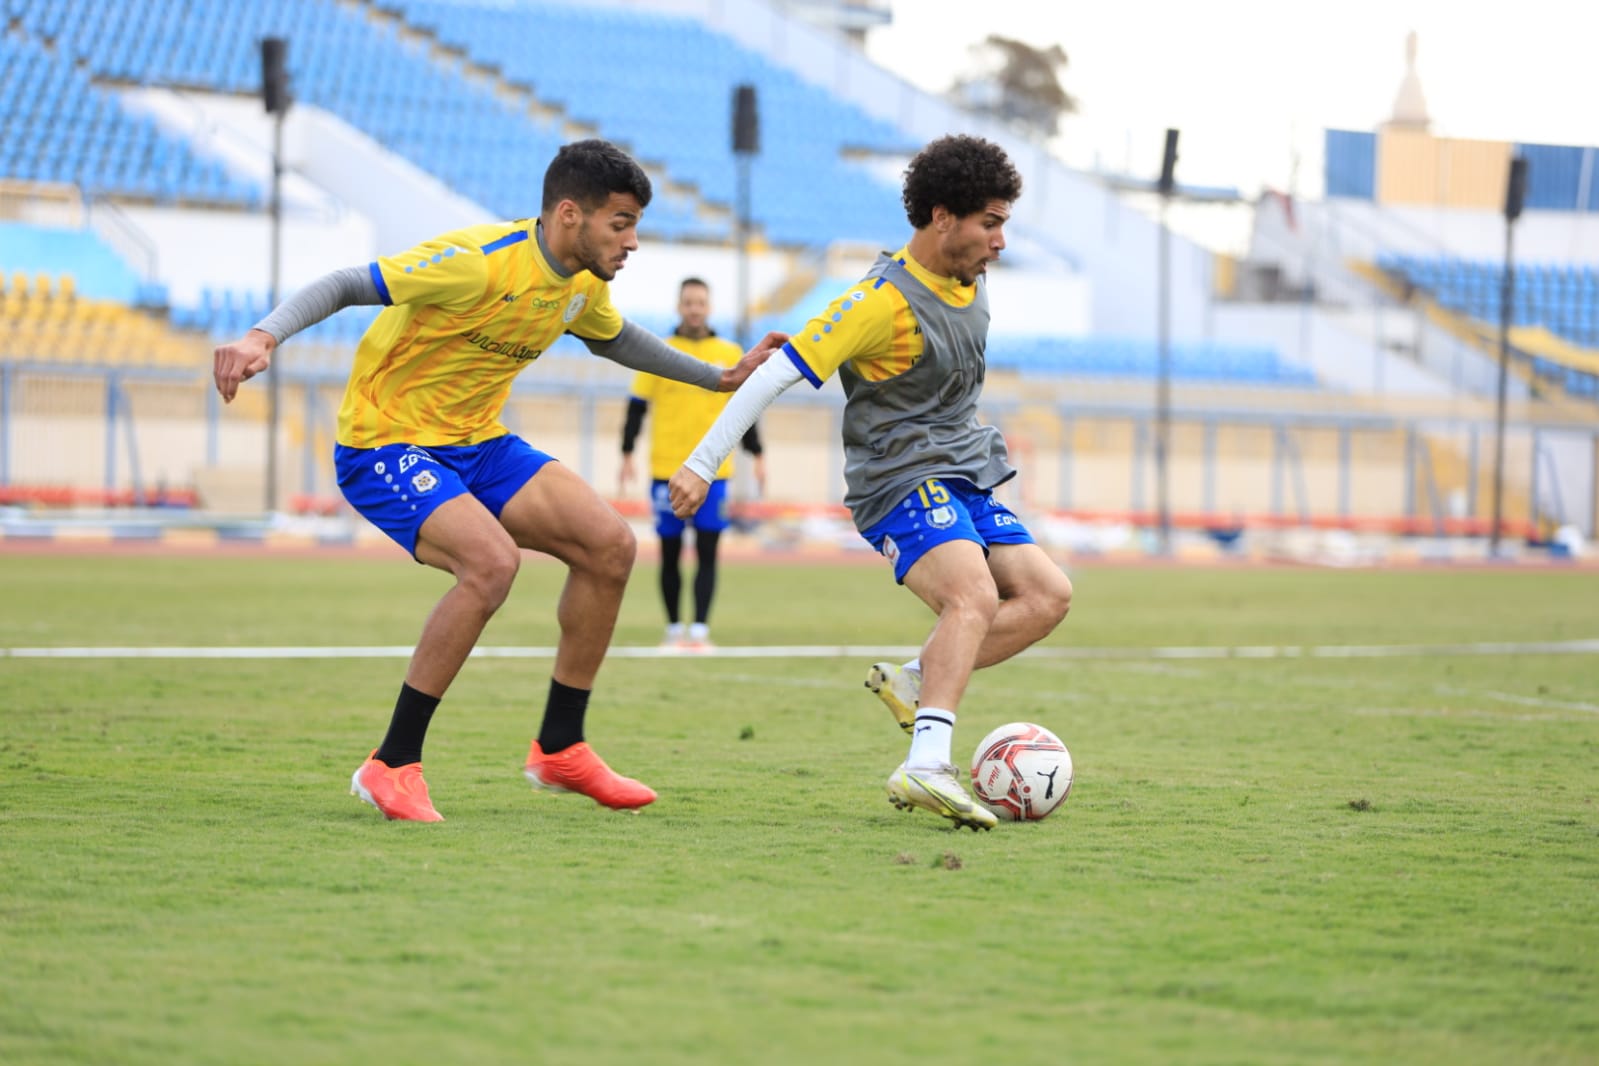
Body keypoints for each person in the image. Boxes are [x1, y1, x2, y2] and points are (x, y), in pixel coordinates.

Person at [212, 139, 783, 822]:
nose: (632, 242)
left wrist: (719, 377)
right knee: (491, 564)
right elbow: (346, 284)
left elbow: (614, 338)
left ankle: (561, 747)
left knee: (610, 546)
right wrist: (262, 336)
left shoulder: (582, 283)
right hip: (385, 442)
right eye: (621, 224)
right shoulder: (477, 262)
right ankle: (391, 762)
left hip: (478, 444)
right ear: (569, 214)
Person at [668, 134, 1072, 831]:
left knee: (1047, 596)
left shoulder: (970, 278)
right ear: (941, 217)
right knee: (972, 595)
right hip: (898, 477)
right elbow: (772, 375)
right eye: (990, 223)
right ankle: (926, 764)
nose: (1001, 241)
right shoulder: (876, 302)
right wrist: (701, 464)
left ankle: (915, 680)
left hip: (964, 469)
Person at [619, 277, 766, 650]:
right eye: (688, 302)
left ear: (709, 307)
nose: (694, 309)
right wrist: (626, 453)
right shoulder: (659, 351)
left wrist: (758, 454)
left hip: (715, 473)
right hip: (666, 470)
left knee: (708, 552)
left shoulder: (729, 352)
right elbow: (637, 407)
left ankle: (700, 630)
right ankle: (673, 630)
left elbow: (745, 409)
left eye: (700, 302)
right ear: (679, 306)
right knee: (669, 553)